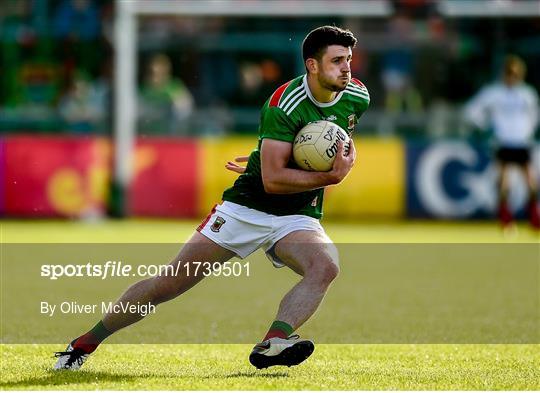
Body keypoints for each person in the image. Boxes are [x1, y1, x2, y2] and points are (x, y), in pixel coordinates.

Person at [54, 25, 370, 370]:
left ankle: (274, 340)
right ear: (312, 65)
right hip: (247, 208)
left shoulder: (358, 96)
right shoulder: (283, 104)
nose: (346, 68)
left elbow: (307, 147)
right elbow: (273, 179)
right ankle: (84, 343)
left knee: (325, 267)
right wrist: (329, 175)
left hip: (297, 215)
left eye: (349, 60)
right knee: (169, 284)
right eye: (337, 60)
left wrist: (260, 156)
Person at [464, 55, 539, 230]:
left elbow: (535, 116)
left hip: (521, 142)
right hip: (503, 142)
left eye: (515, 74)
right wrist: (485, 126)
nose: (512, 77)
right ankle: (505, 217)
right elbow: (472, 111)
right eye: (509, 73)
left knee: (530, 180)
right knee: (504, 181)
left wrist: (528, 131)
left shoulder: (527, 94)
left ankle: (534, 216)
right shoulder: (493, 93)